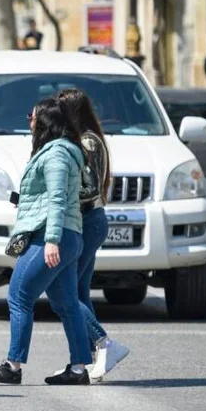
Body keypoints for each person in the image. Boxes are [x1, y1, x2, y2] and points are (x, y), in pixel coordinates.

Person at [0, 97, 91, 386]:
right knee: (67, 304)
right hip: (66, 235)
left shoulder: (56, 155)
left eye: (32, 116)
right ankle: (78, 369)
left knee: (19, 296)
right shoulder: (60, 151)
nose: (28, 121)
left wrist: (51, 240)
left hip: (53, 236)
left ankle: (12, 366)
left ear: (44, 122)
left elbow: (57, 199)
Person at [57, 89, 131, 381]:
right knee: (79, 291)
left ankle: (104, 344)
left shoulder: (88, 140)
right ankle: (84, 361)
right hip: (89, 221)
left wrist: (61, 193)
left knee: (67, 292)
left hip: (89, 221)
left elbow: (90, 188)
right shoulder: (84, 138)